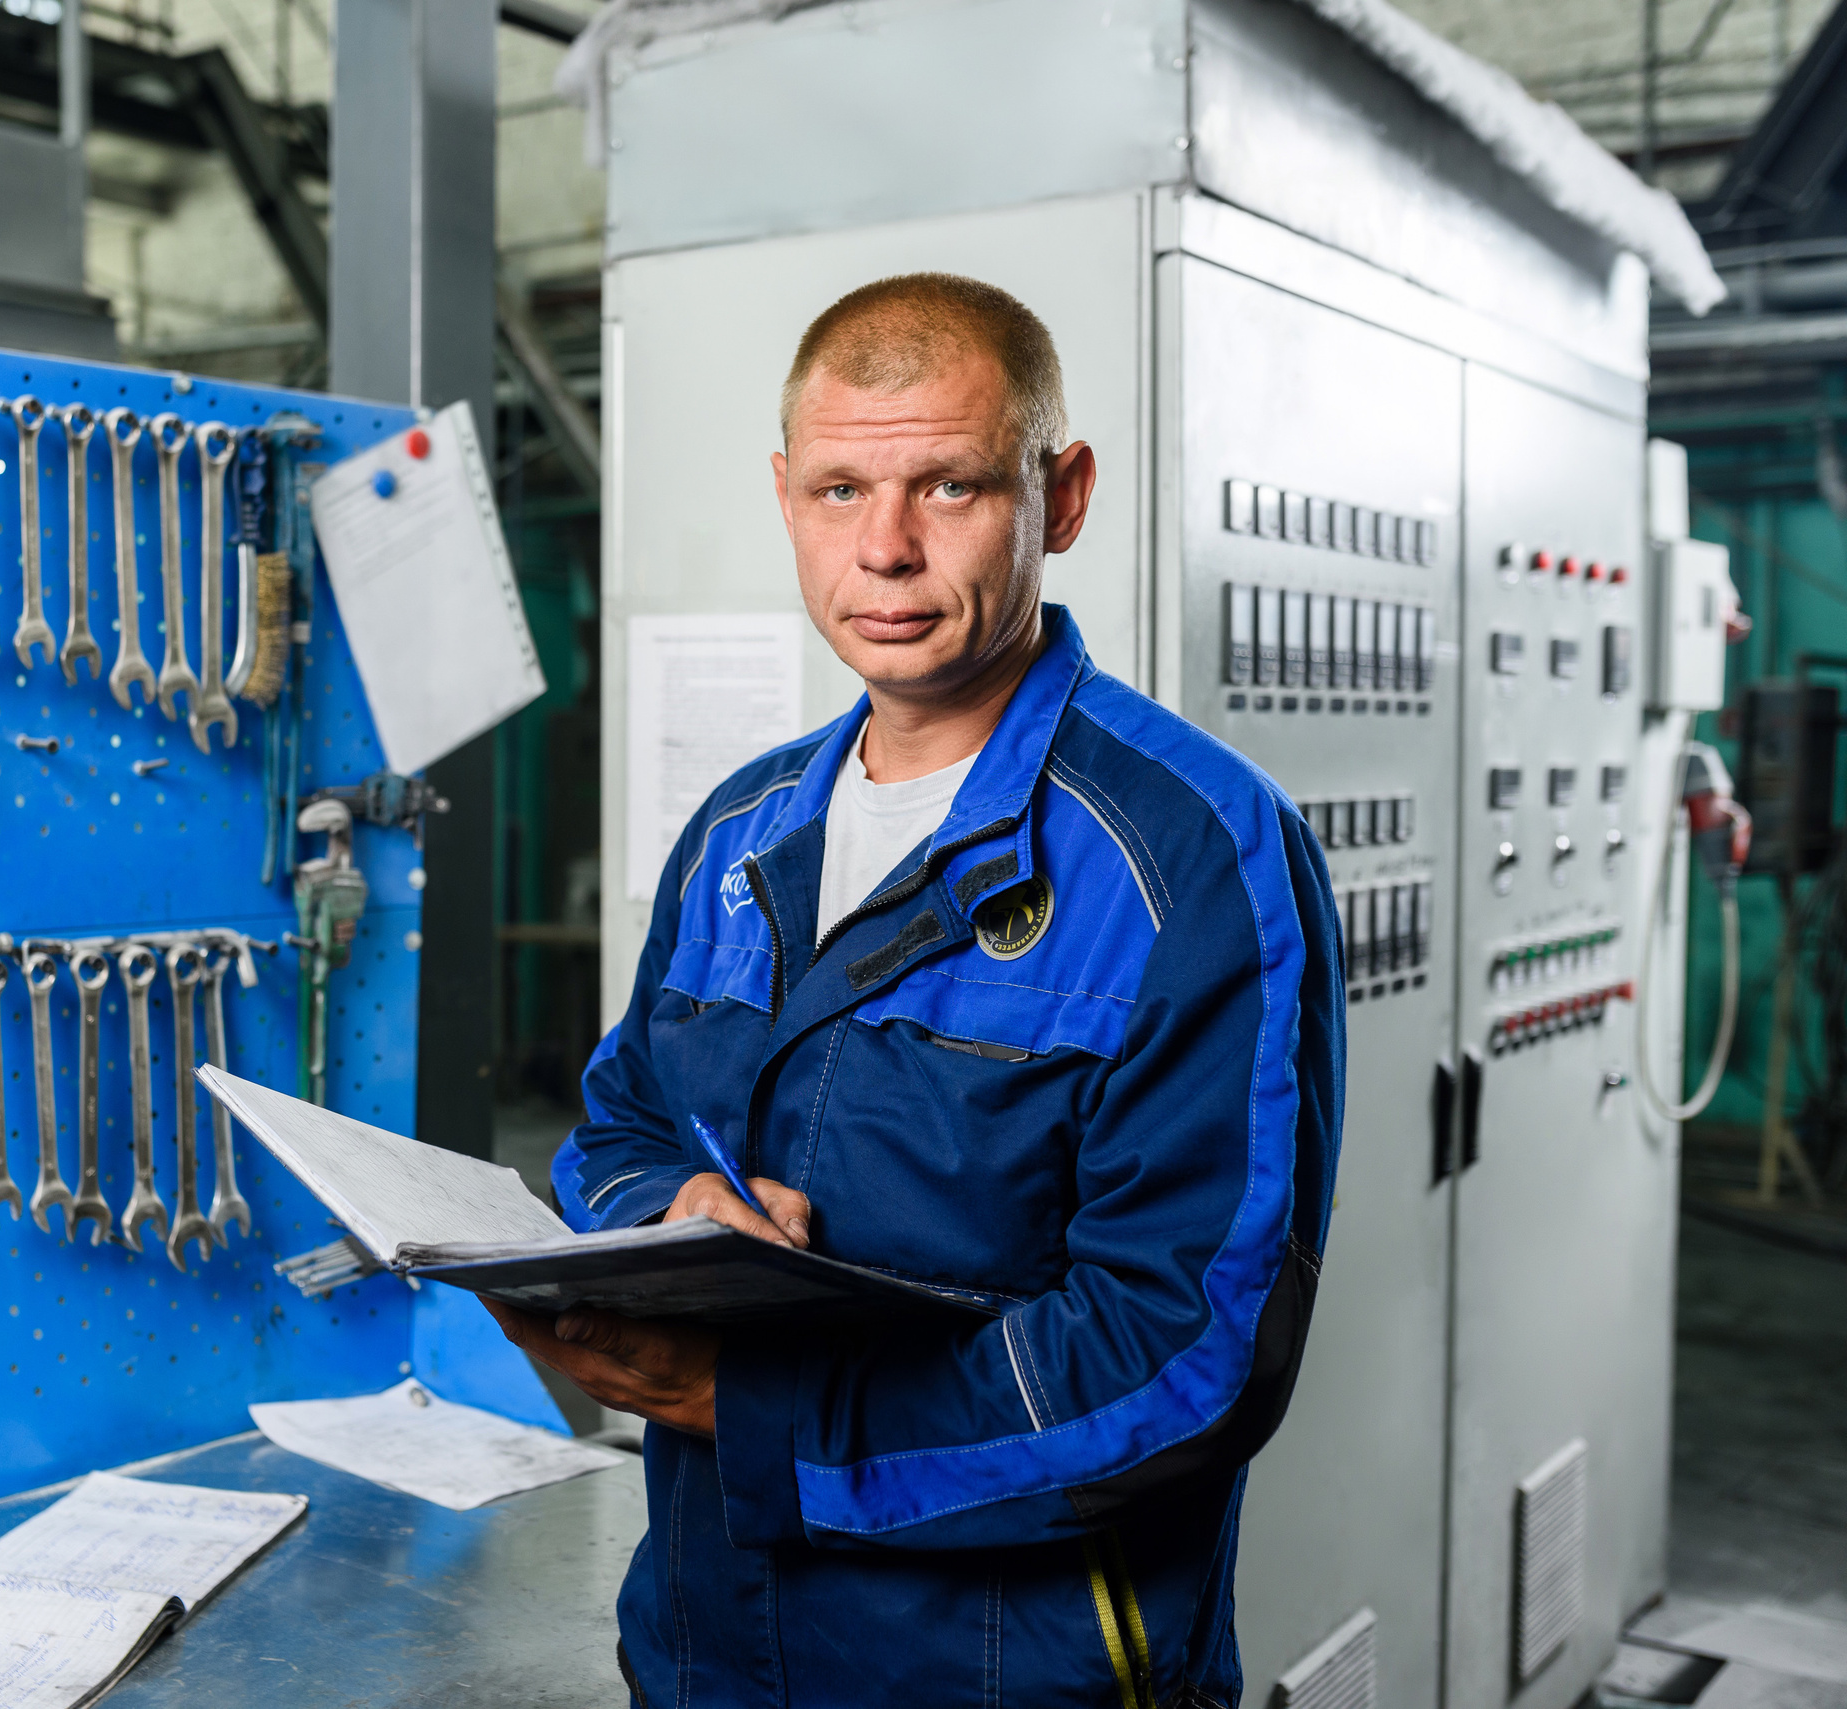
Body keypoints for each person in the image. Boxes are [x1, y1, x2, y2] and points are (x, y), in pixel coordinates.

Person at [486, 273, 1346, 1707]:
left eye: (948, 485)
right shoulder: (742, 832)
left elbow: (1184, 1358)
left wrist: (752, 1412)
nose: (883, 549)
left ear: (1059, 498)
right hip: (705, 1656)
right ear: (784, 495)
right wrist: (662, 1214)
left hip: (1010, 1674)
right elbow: (621, 1121)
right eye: (837, 490)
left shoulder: (1194, 859)